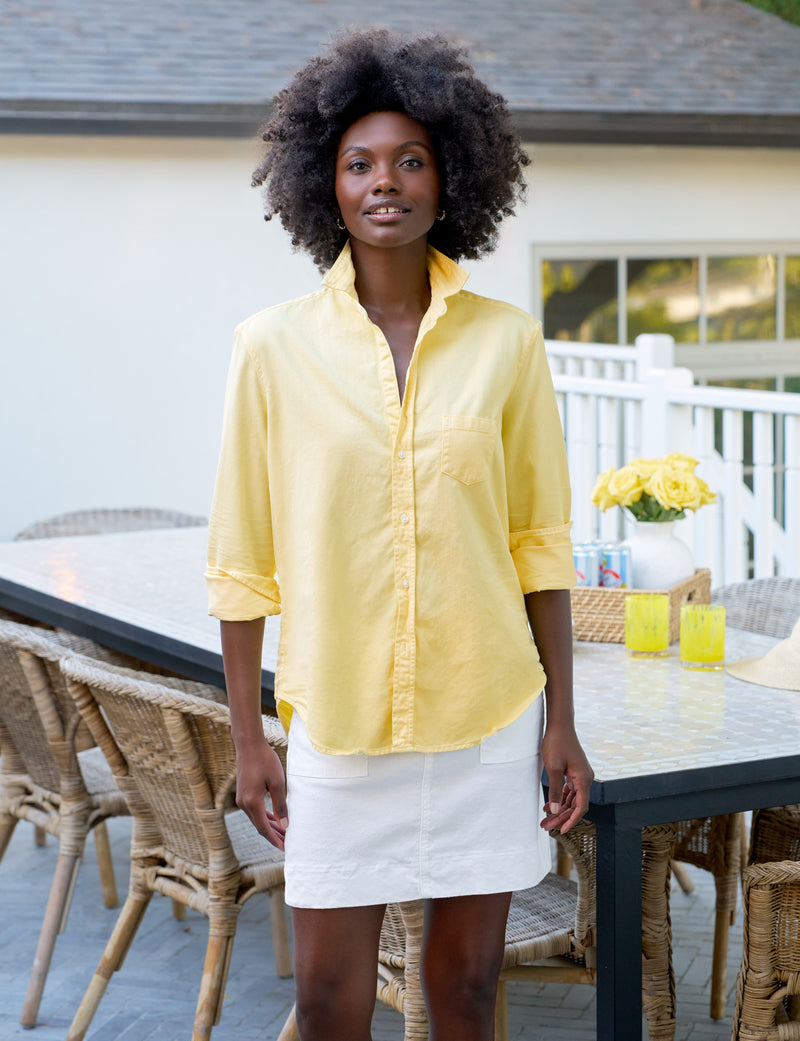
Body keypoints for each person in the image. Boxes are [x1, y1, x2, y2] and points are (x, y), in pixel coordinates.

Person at [206, 27, 593, 1041]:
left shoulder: (506, 343)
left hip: (487, 722)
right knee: (328, 1002)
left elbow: (535, 543)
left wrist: (559, 721)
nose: (387, 182)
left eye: (411, 159)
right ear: (323, 184)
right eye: (360, 163)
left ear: (449, 176)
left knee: (464, 994)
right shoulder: (270, 349)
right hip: (337, 724)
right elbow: (241, 560)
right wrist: (249, 736)